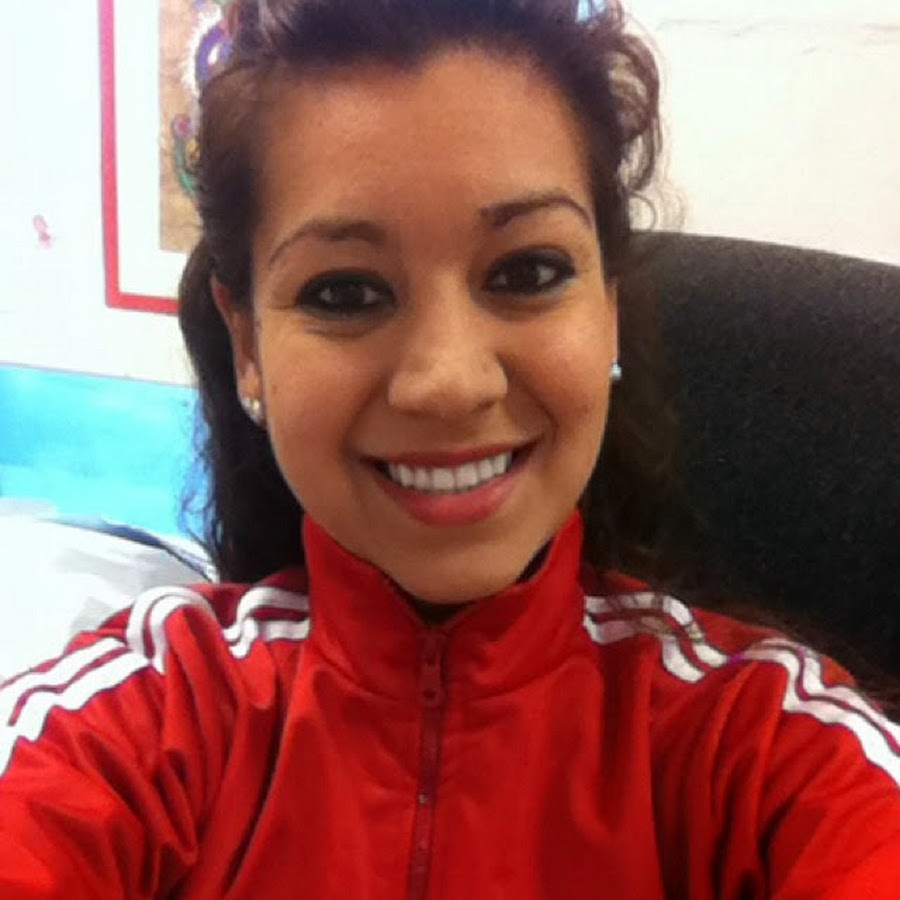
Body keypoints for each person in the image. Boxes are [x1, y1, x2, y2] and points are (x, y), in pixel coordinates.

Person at [1, 0, 899, 896]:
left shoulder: (771, 752)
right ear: (248, 348)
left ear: (609, 310)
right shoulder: (136, 723)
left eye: (527, 272)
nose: (447, 382)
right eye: (344, 293)